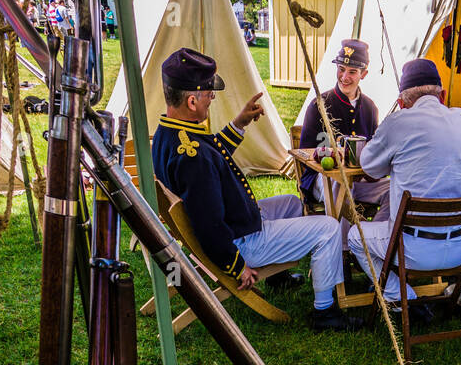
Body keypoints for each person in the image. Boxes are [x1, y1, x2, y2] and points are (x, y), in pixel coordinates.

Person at [151, 48, 357, 331]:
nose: (212, 98)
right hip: (241, 242)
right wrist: (236, 267)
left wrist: (240, 122)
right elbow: (209, 224)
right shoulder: (193, 155)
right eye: (209, 94)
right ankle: (325, 312)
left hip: (237, 224)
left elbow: (214, 154)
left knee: (293, 204)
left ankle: (277, 276)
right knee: (329, 228)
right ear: (191, 100)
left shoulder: (170, 133)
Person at [346, 58, 461, 304]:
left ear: (401, 103)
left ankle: (403, 298)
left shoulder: (398, 122)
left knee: (356, 235)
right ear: (442, 95)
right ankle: (412, 298)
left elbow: (369, 166)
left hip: (413, 249)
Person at [298, 39, 389, 216]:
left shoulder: (370, 108)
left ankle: (371, 236)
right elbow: (304, 153)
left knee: (394, 188)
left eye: (352, 72)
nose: (344, 77)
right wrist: (331, 153)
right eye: (341, 69)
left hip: (359, 182)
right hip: (323, 180)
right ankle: (343, 243)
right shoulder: (319, 105)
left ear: (364, 74)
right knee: (339, 184)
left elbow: (373, 150)